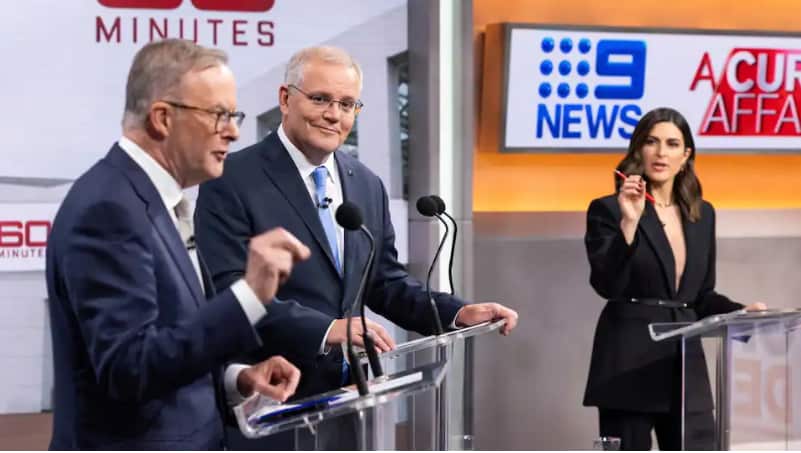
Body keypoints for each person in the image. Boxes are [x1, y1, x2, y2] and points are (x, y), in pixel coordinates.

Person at [194, 45, 519, 445]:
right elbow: (229, 294)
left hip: (349, 404)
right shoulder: (232, 179)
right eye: (320, 99)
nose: (334, 114)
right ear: (284, 99)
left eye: (347, 104)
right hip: (269, 403)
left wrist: (457, 312)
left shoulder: (364, 183)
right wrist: (326, 328)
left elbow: (384, 282)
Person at [45, 39, 312, 450]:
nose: (234, 130)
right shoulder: (109, 208)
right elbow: (128, 367)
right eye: (219, 114)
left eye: (234, 114)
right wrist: (249, 295)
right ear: (163, 118)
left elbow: (170, 336)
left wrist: (234, 378)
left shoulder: (154, 199)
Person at [582, 107, 766, 450]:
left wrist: (742, 314)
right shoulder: (608, 209)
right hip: (628, 363)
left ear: (686, 155)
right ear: (638, 150)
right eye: (651, 142)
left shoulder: (702, 213)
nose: (661, 152)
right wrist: (629, 223)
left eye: (671, 143)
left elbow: (700, 296)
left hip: (685, 367)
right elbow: (606, 284)